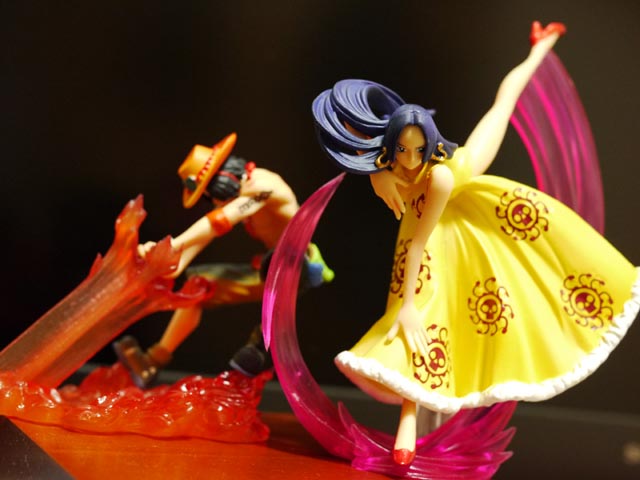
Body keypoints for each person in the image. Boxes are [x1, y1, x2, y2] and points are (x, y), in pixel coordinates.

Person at [311, 22, 639, 466]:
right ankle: (410, 421)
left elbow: (419, 241)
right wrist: (378, 175)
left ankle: (411, 423)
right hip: (421, 233)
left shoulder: (441, 176)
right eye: (401, 151)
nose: (409, 160)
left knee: (423, 312)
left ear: (430, 144)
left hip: (452, 226)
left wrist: (407, 305)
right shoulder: (391, 165)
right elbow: (376, 159)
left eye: (418, 150)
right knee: (416, 322)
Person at [115, 133, 334, 386]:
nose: (213, 203)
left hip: (296, 268)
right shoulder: (242, 191)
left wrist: (173, 244)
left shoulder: (262, 187)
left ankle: (255, 358)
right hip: (272, 266)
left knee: (270, 296)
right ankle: (153, 361)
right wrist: (170, 262)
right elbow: (204, 237)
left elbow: (218, 222)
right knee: (199, 284)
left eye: (210, 197)